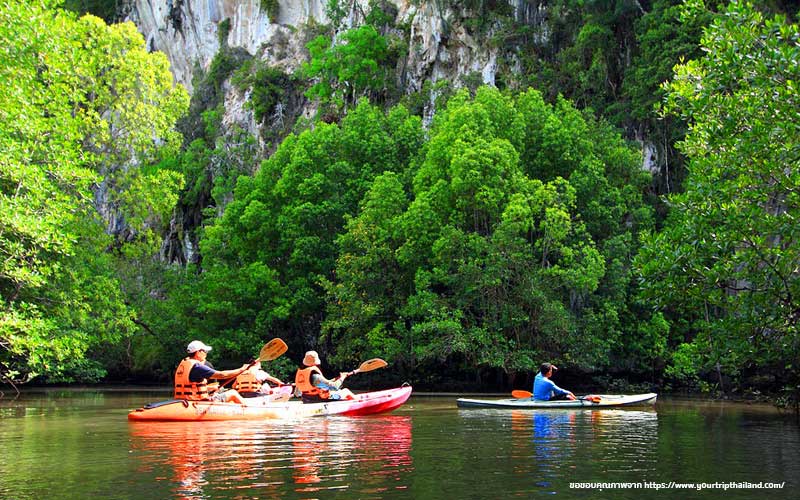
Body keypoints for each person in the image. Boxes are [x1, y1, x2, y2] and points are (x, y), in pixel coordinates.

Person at [174, 340, 249, 404]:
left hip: (183, 401)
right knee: (233, 393)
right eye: (205, 351)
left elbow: (192, 387)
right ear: (198, 352)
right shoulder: (197, 367)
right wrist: (241, 370)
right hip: (197, 403)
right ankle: (248, 410)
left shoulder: (183, 364)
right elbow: (222, 375)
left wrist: (209, 388)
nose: (206, 354)